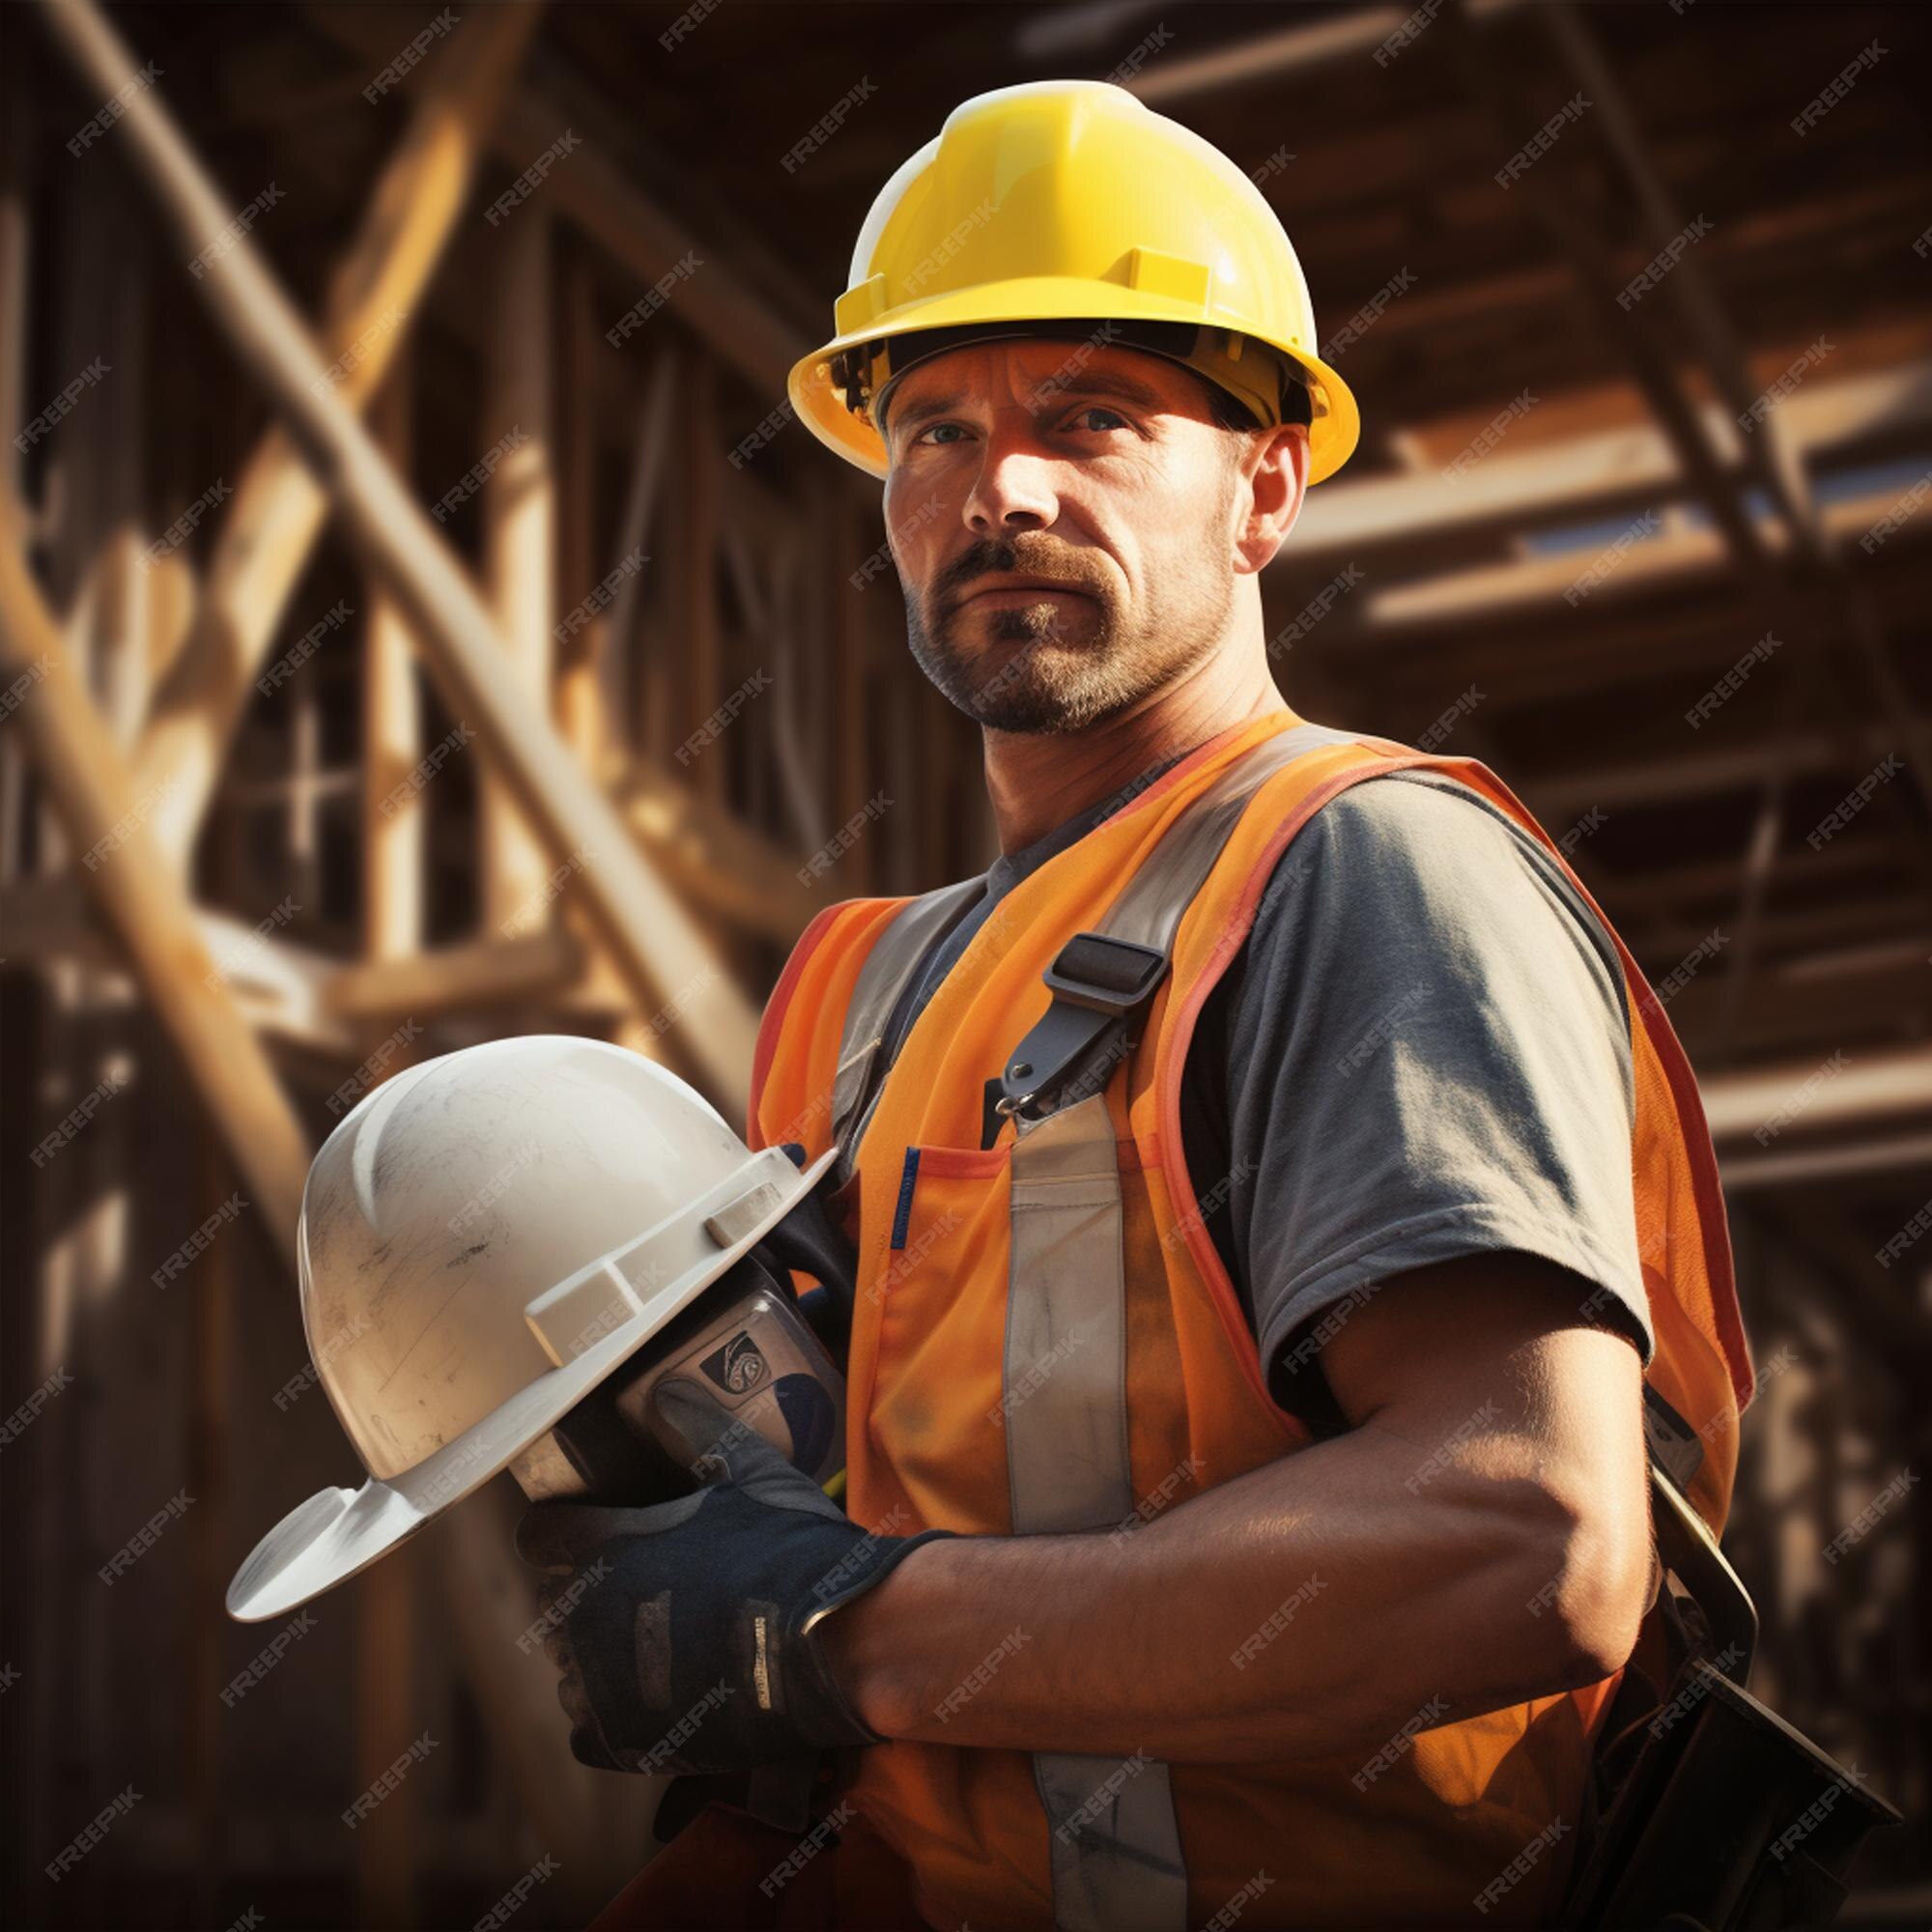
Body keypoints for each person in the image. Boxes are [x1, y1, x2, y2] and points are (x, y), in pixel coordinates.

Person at [519, 79, 1751, 1932]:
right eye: (932, 429)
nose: (998, 487)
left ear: (1266, 486)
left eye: (1087, 418)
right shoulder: (860, 996)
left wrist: (849, 1635)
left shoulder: (1353, 875)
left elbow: (1531, 1540)